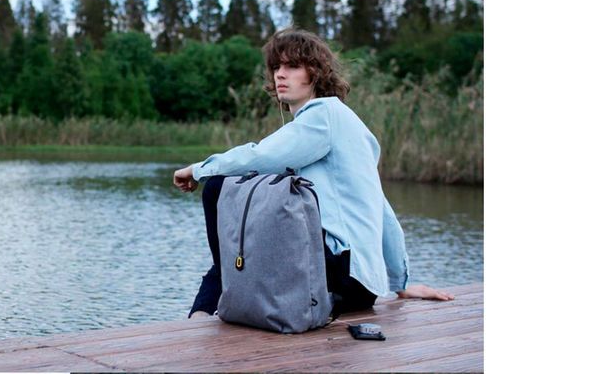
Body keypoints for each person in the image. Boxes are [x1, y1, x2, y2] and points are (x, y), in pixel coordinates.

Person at [172, 28, 454, 319]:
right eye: (276, 67)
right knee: (244, 234)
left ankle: (202, 314)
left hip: (338, 275)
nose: (280, 74)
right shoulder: (347, 123)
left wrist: (199, 170)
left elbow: (261, 156)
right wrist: (399, 284)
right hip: (361, 287)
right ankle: (205, 309)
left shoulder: (323, 115)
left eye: (293, 66)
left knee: (219, 187)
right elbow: (383, 212)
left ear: (316, 73)